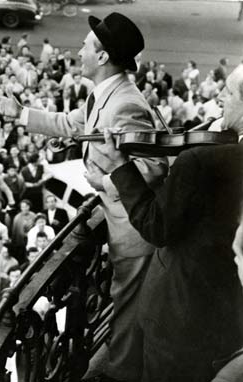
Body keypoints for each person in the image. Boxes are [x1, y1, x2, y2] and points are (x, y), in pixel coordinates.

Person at [0, 12, 168, 382]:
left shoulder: (124, 105)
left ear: (102, 57)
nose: (78, 50)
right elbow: (74, 124)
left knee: (128, 316)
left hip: (134, 231)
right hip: (126, 226)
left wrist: (103, 180)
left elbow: (155, 169)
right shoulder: (109, 92)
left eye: (85, 46)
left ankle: (119, 375)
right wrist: (20, 114)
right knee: (125, 310)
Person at [84, 64, 243, 381]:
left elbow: (157, 228)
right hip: (227, 311)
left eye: (227, 91)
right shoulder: (220, 153)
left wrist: (120, 168)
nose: (219, 96)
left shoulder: (200, 161)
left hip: (183, 311)